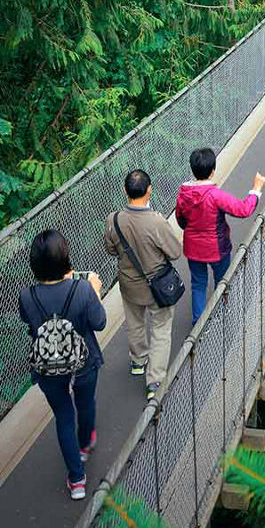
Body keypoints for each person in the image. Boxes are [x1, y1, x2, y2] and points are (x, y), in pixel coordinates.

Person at [18, 230, 106, 500]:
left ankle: (77, 479)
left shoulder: (27, 296)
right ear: (66, 259)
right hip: (83, 362)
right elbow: (99, 322)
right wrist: (95, 290)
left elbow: (29, 322)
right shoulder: (82, 289)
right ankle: (85, 444)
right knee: (86, 402)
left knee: (64, 417)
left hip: (49, 369)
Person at [104, 169, 183, 402]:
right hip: (157, 288)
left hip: (129, 285)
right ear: (149, 190)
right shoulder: (156, 221)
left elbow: (110, 250)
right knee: (160, 329)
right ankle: (154, 380)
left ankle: (138, 361)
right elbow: (175, 252)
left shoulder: (114, 219)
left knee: (135, 323)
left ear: (124, 191)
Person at [176, 148, 265, 321]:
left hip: (193, 249)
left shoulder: (183, 194)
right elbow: (243, 210)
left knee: (198, 284)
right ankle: (221, 314)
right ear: (212, 171)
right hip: (217, 249)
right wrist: (256, 188)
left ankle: (199, 324)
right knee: (222, 281)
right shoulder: (215, 196)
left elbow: (181, 220)